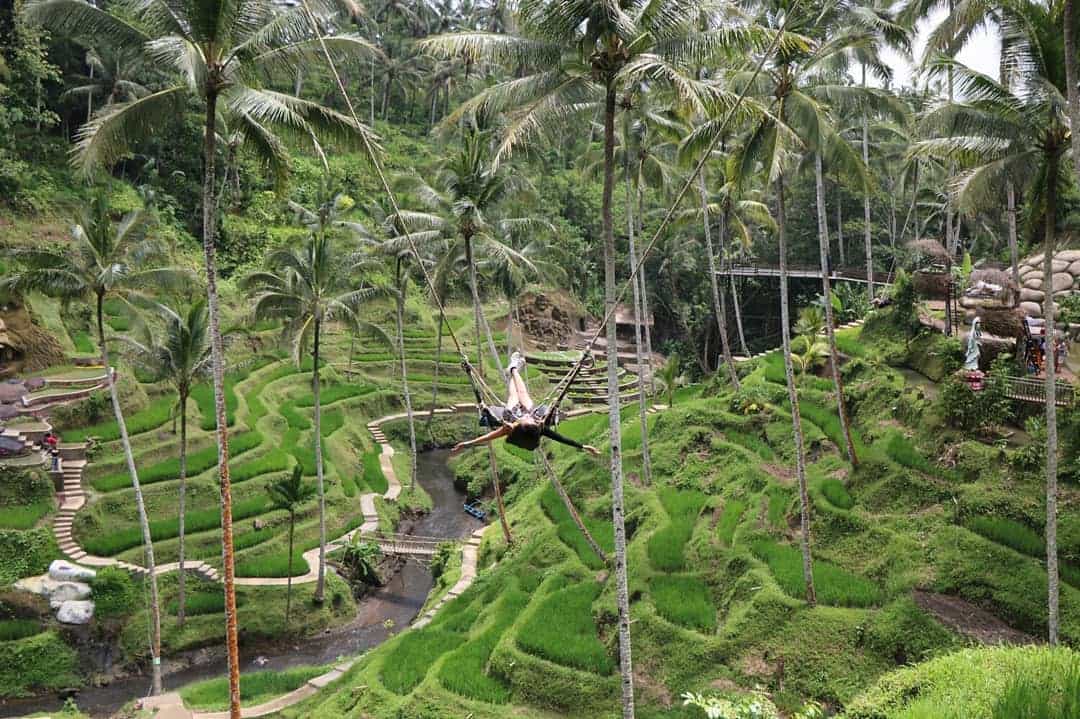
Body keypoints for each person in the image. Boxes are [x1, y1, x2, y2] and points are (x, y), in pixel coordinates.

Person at [451, 352, 600, 456]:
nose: (530, 418)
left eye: (528, 420)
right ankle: (513, 369)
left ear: (520, 425)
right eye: (533, 421)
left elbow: (488, 437)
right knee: (525, 398)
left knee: (515, 396)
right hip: (525, 423)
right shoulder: (539, 426)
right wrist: (583, 446)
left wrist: (466, 444)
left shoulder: (509, 428)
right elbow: (561, 439)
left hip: (510, 416)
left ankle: (513, 369)